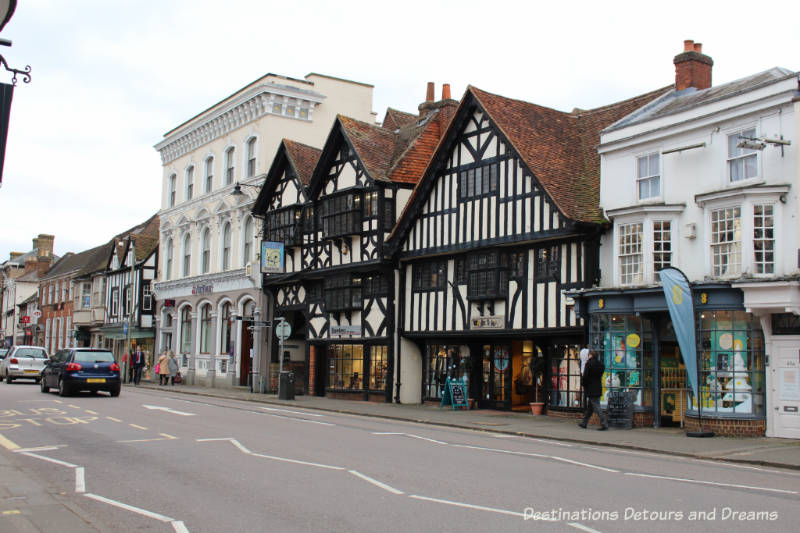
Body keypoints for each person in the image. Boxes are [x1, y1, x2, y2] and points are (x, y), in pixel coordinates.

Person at [579, 350, 608, 431]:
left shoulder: (588, 364)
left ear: (591, 355)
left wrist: (583, 384)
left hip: (591, 387)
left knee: (596, 406)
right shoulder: (601, 364)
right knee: (590, 407)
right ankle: (584, 423)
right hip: (598, 386)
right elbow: (600, 375)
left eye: (589, 355)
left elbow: (585, 376)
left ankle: (604, 423)